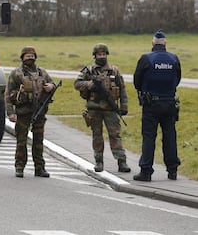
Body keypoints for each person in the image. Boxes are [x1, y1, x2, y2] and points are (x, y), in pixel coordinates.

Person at [74, 43, 131, 173]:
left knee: (115, 136)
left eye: (104, 54)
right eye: (99, 54)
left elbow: (122, 89)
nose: (102, 56)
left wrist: (124, 106)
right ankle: (99, 161)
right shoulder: (89, 71)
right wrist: (90, 85)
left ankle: (121, 161)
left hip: (110, 109)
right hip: (94, 109)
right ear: (95, 56)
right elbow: (77, 84)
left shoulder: (114, 71)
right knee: (97, 136)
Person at [133, 30, 181, 181]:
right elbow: (178, 78)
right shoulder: (174, 59)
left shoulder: (146, 58)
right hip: (170, 102)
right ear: (165, 43)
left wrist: (144, 91)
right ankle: (172, 170)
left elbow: (137, 80)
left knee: (149, 137)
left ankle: (146, 171)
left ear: (153, 43)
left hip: (151, 103)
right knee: (170, 136)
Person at [5, 46, 57, 178]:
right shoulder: (16, 74)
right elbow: (8, 94)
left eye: (32, 55)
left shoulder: (42, 73)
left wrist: (51, 86)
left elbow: (52, 84)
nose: (30, 57)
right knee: (21, 141)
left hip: (39, 112)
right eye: (27, 55)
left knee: (38, 141)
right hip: (23, 113)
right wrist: (10, 112)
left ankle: (39, 168)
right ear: (22, 57)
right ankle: (19, 167)